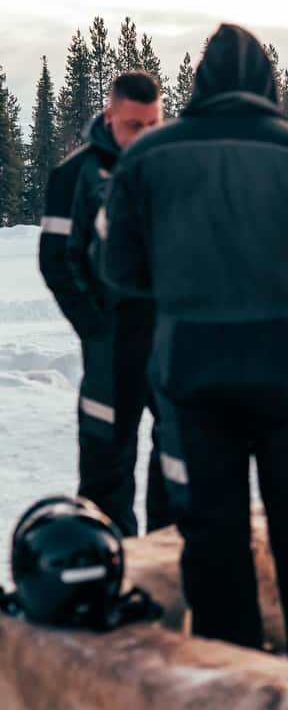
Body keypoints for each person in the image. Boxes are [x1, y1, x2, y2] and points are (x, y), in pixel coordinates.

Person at [99, 24, 288, 664]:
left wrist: (181, 285)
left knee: (210, 534)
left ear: (201, 85)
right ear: (267, 83)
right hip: (287, 367)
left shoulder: (147, 157)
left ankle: (232, 677)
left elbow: (116, 265)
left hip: (190, 371)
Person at [39, 72, 167, 537]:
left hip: (168, 341)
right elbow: (56, 262)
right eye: (135, 126)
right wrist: (95, 328)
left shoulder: (168, 170)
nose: (145, 137)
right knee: (105, 474)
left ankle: (164, 573)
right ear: (110, 114)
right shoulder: (74, 175)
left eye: (154, 125)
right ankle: (109, 574)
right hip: (110, 346)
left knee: (177, 464)